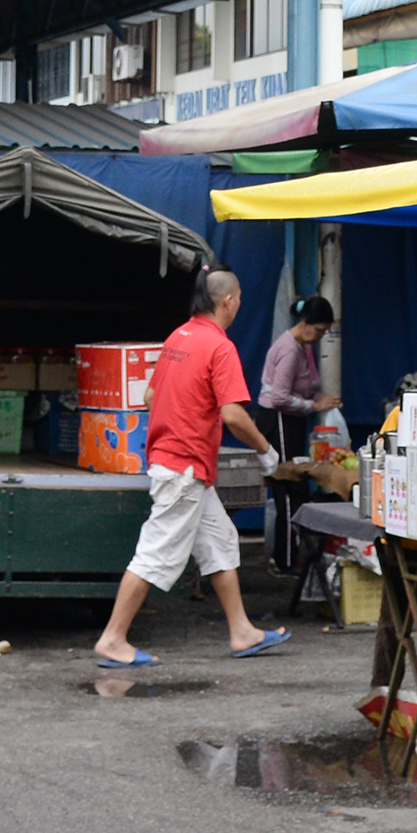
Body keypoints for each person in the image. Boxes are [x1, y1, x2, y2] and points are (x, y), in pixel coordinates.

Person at [91, 269, 286, 668]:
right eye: (240, 300)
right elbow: (233, 414)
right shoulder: (220, 347)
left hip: (179, 463)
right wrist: (265, 450)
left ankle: (242, 631)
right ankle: (112, 640)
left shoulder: (178, 337)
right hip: (184, 469)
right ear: (228, 301)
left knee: (220, 542)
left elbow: (149, 395)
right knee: (155, 555)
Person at [257, 294, 340, 448]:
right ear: (305, 323)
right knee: (284, 470)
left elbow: (308, 382)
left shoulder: (305, 346)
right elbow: (279, 398)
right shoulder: (290, 350)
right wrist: (314, 406)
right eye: (319, 331)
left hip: (292, 420)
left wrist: (321, 398)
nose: (320, 336)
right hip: (278, 421)